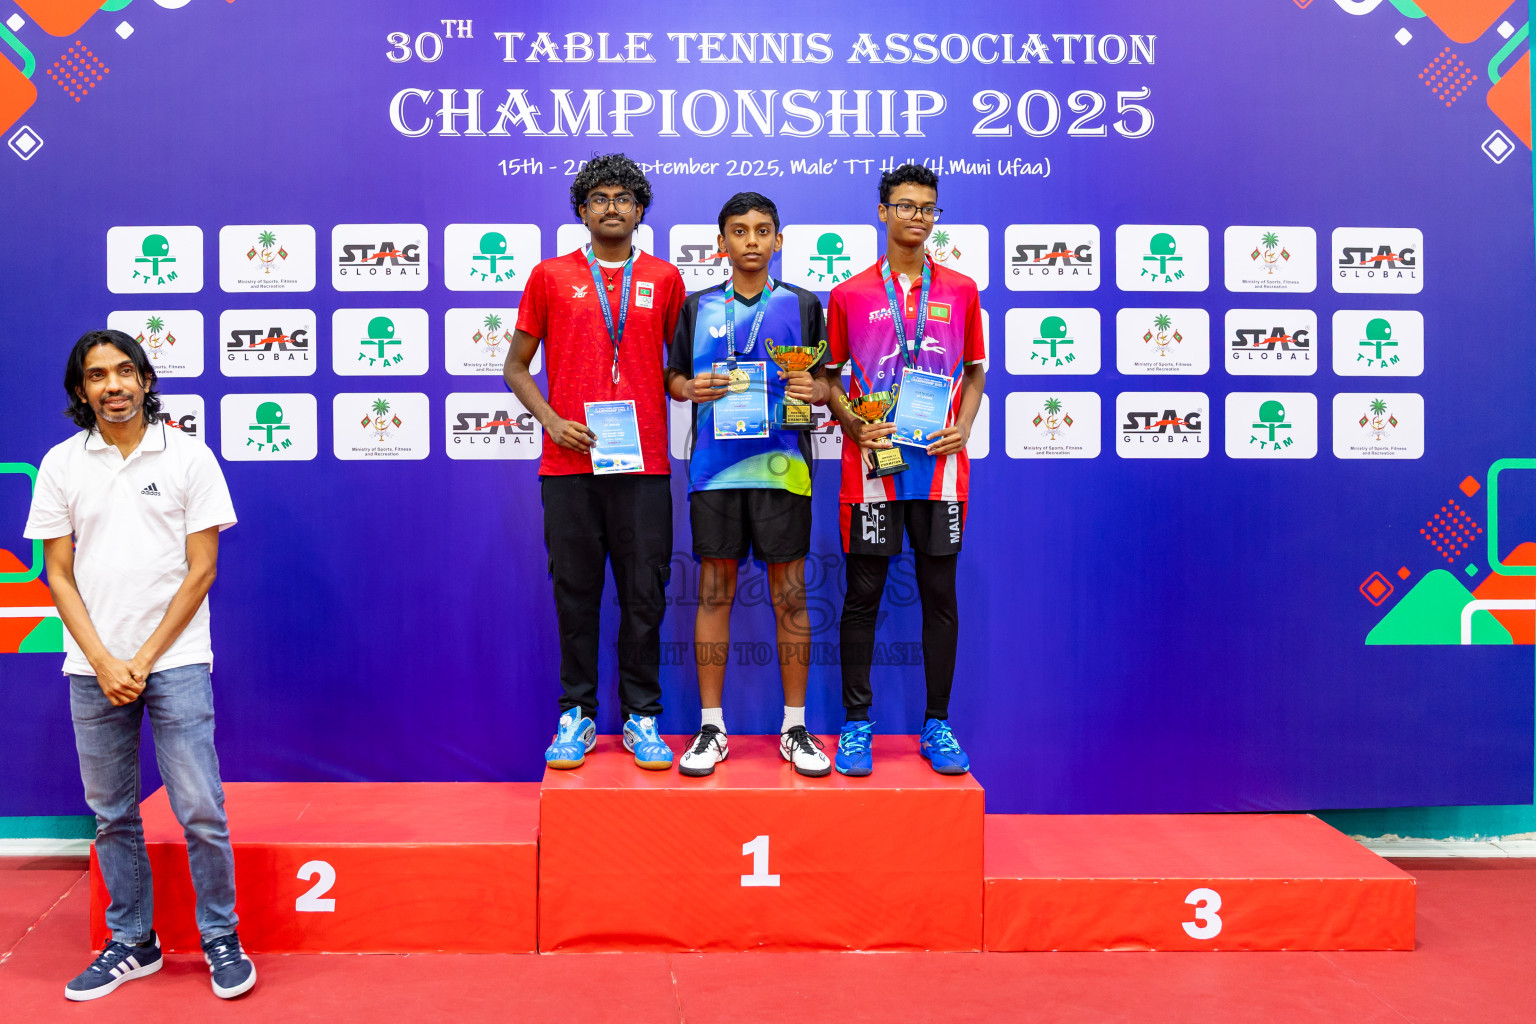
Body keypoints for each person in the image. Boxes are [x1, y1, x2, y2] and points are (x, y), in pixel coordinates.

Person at [24, 330, 254, 1001]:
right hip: (91, 667)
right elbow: (57, 573)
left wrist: (143, 659)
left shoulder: (189, 456)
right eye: (97, 376)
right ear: (81, 390)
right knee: (112, 815)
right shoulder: (62, 464)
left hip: (175, 660)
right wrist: (102, 660)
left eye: (125, 371)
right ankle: (132, 942)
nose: (114, 385)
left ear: (146, 381)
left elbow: (202, 569)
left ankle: (221, 935)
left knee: (200, 808)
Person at [504, 153, 686, 770]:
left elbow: (676, 369)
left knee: (644, 597)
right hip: (569, 466)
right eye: (600, 198)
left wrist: (697, 386)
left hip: (644, 466)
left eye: (623, 198)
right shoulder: (550, 276)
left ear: (640, 211)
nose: (612, 207)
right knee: (575, 596)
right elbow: (515, 367)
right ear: (582, 211)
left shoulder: (665, 278)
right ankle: (576, 715)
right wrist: (552, 420)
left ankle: (643, 717)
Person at [821, 164, 986, 777]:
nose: (918, 216)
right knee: (862, 596)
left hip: (940, 470)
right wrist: (852, 423)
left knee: (940, 596)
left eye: (928, 207)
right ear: (883, 212)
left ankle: (937, 724)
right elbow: (829, 380)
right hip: (873, 469)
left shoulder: (962, 289)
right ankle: (856, 724)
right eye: (907, 205)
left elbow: (975, 372)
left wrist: (964, 427)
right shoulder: (850, 293)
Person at [666, 192, 833, 777]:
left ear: (778, 240)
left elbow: (826, 383)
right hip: (713, 470)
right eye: (739, 231)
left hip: (783, 468)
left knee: (791, 593)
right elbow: (673, 377)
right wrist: (688, 389)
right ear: (722, 243)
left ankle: (795, 726)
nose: (752, 240)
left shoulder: (804, 304)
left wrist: (816, 390)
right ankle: (712, 727)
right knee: (714, 591)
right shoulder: (696, 307)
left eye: (763, 230)